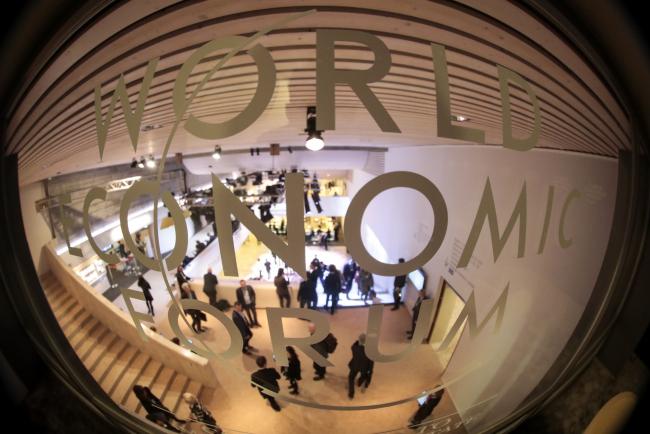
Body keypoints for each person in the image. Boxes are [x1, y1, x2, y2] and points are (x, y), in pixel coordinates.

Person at [347, 334, 374, 399]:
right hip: (364, 368)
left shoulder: (355, 348)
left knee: (351, 377)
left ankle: (351, 393)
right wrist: (370, 370)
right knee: (363, 375)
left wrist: (357, 342)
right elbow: (371, 362)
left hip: (355, 365)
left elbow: (353, 346)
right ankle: (359, 383)